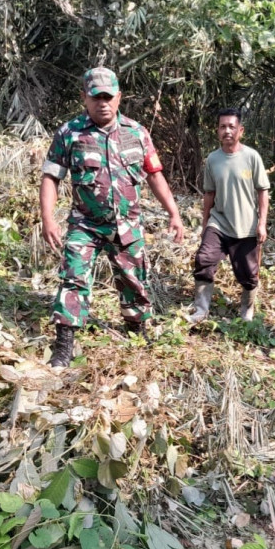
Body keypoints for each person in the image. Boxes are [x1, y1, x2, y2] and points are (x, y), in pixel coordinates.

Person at [40, 67, 185, 367]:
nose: (102, 103)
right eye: (96, 97)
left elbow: (155, 175)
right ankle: (64, 345)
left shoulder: (137, 132)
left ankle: (136, 330)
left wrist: (174, 213)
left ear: (119, 98)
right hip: (85, 224)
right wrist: (47, 218)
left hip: (127, 226)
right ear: (84, 98)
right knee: (74, 279)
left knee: (134, 283)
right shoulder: (70, 134)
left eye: (108, 96)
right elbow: (51, 177)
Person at [188, 108, 270, 323]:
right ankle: (201, 309)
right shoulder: (213, 159)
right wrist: (205, 223)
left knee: (249, 275)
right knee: (204, 259)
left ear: (240, 130)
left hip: (246, 226)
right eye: (223, 126)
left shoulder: (252, 157)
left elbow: (263, 191)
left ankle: (246, 310)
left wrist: (262, 224)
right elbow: (209, 193)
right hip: (219, 222)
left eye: (231, 127)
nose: (227, 131)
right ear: (217, 130)